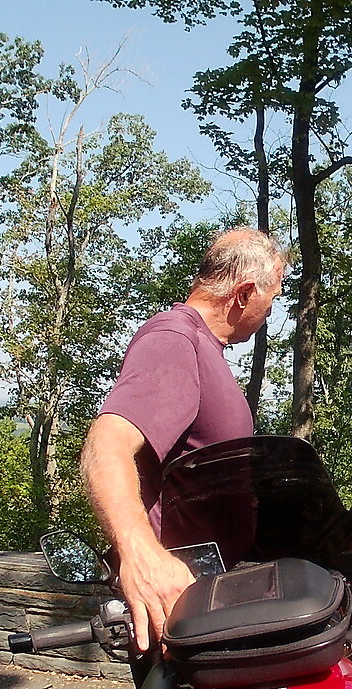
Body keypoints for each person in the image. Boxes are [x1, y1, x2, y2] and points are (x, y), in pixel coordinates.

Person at [81, 227, 285, 654]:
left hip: (212, 600)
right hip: (178, 603)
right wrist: (140, 554)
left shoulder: (203, 346)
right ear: (245, 293)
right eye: (272, 297)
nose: (271, 310)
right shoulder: (175, 339)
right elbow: (108, 441)